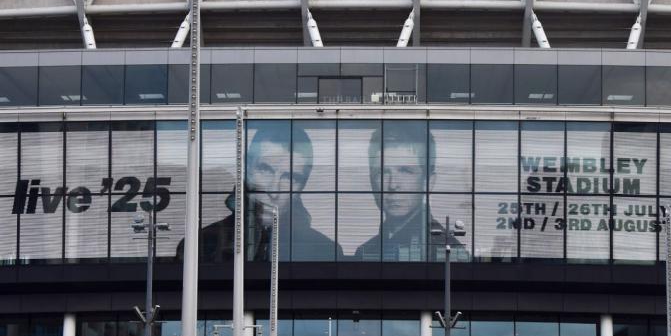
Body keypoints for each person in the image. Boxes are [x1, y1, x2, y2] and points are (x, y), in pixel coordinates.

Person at [176, 124, 341, 262]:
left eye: (290, 177)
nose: (273, 189)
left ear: (301, 187)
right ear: (246, 169)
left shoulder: (326, 251)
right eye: (265, 169)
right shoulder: (200, 245)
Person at [354, 124, 467, 261]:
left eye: (405, 171)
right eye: (382, 172)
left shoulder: (447, 252)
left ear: (428, 182)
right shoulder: (366, 252)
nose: (393, 185)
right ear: (371, 181)